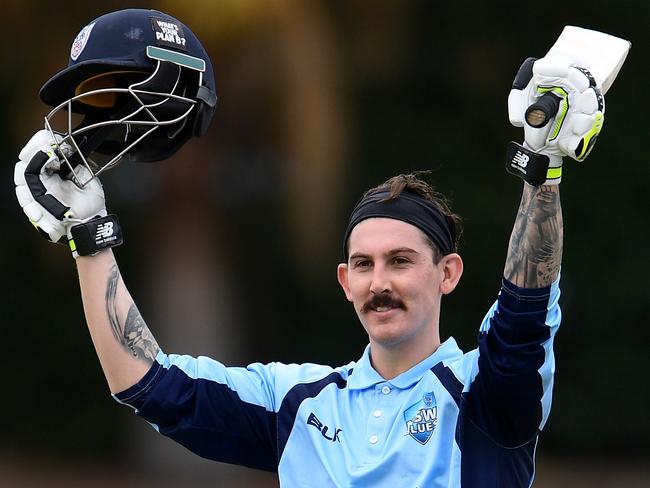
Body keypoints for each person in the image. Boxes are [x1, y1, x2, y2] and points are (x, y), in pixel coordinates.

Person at [14, 8, 608, 488]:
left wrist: (543, 170)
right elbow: (145, 384)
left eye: (401, 261)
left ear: (447, 273)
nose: (380, 281)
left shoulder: (484, 394)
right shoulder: (296, 402)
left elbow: (525, 313)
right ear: (343, 281)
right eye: (364, 264)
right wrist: (89, 236)